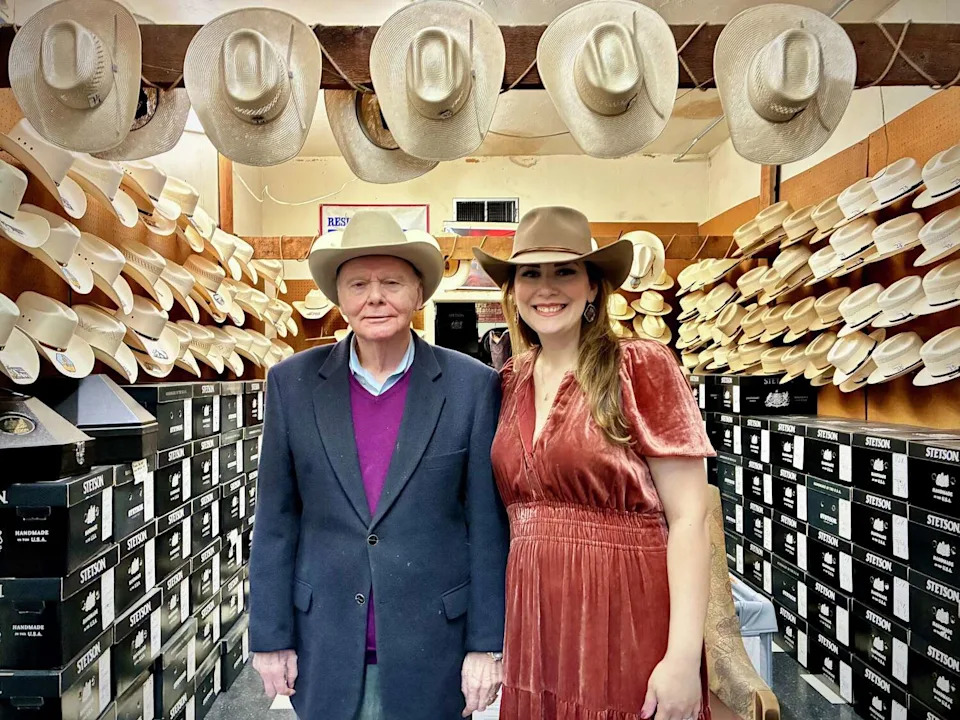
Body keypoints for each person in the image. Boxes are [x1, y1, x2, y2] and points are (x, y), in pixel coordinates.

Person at [249, 211, 510, 720]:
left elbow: (486, 526)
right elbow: (276, 521)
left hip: (434, 647)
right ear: (339, 297)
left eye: (391, 282)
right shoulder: (292, 384)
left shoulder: (471, 387)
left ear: (418, 293)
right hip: (323, 644)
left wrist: (486, 643)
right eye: (358, 284)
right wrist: (270, 636)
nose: (375, 297)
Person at [474, 206, 716, 720]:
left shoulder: (640, 365)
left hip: (626, 613)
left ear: (591, 287)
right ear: (513, 290)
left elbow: (691, 520)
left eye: (565, 271)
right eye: (530, 273)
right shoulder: (508, 380)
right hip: (535, 618)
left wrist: (680, 656)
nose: (547, 287)